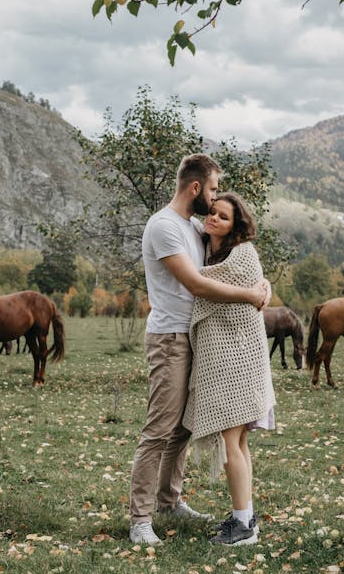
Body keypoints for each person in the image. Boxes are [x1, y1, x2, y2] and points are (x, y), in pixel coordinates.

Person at [129, 154, 270, 545]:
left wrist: (263, 287)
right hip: (171, 338)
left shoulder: (195, 226)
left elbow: (234, 260)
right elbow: (197, 284)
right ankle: (140, 519)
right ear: (195, 188)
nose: (213, 197)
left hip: (199, 340)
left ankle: (169, 501)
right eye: (210, 189)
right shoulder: (164, 228)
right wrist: (251, 296)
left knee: (182, 431)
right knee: (159, 430)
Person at [183, 192, 276, 546]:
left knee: (230, 442)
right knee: (237, 442)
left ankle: (242, 528)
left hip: (239, 360)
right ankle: (245, 517)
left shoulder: (241, 254)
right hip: (231, 360)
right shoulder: (210, 246)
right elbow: (187, 217)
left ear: (236, 225)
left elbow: (200, 281)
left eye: (223, 217)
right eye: (212, 213)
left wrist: (263, 286)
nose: (214, 219)